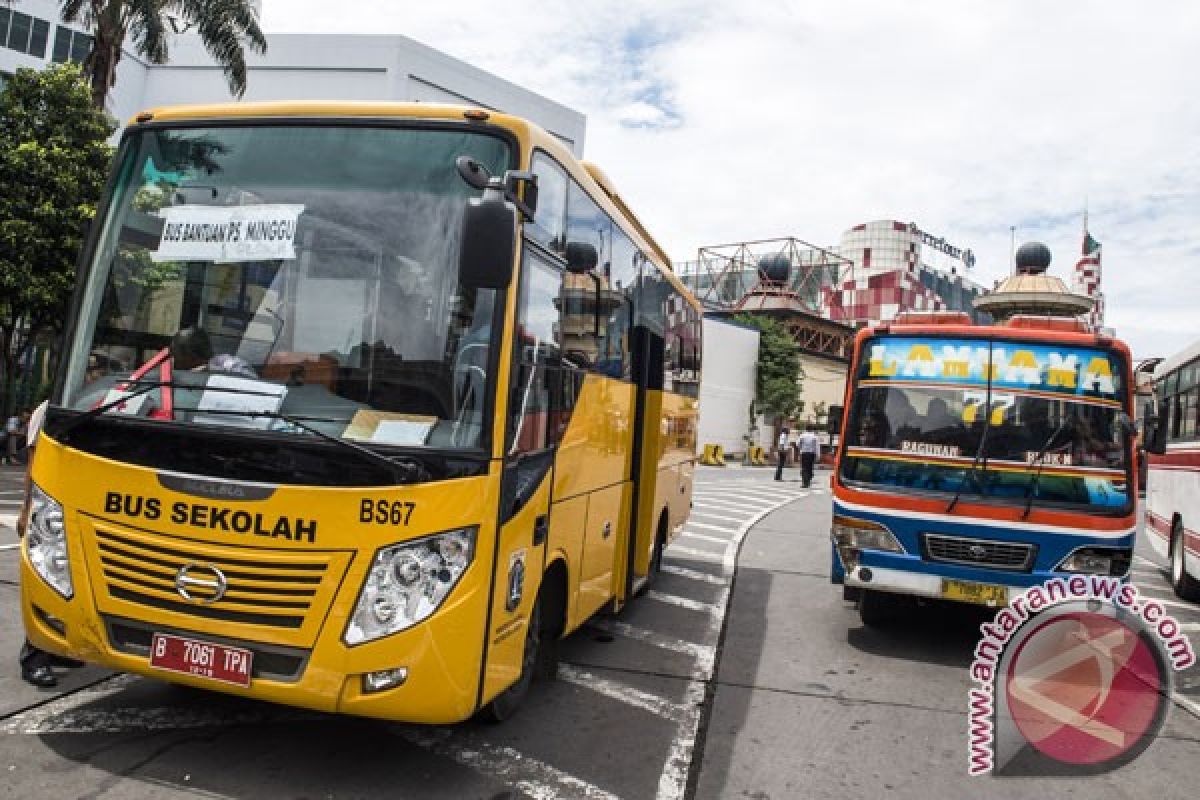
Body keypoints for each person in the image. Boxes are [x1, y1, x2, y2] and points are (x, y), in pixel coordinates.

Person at [16, 400, 81, 687]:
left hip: (71, 507)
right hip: (50, 510)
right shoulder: (49, 410)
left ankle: (55, 647)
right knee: (45, 582)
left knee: (69, 586)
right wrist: (26, 508)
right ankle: (34, 656)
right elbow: (35, 461)